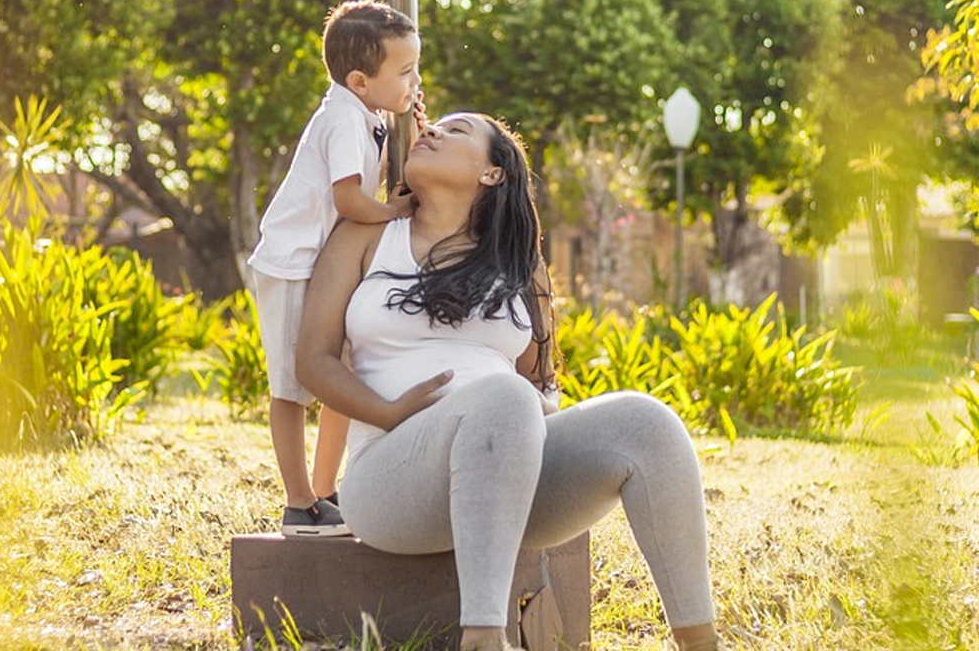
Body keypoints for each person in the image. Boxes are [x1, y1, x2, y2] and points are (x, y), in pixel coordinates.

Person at [297, 112, 723, 650]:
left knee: (647, 423)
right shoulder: (367, 234)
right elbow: (313, 360)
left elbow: (539, 387)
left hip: (508, 470)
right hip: (392, 476)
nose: (432, 132)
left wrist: (531, 416)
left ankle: (700, 641)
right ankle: (483, 638)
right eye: (433, 126)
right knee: (503, 397)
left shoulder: (520, 262)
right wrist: (387, 412)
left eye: (456, 131)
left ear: (492, 173)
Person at [246, 0, 421, 536]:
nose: (415, 81)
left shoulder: (363, 115)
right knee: (292, 386)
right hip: (293, 264)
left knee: (338, 375)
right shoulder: (343, 120)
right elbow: (349, 200)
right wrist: (394, 212)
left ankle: (325, 492)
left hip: (320, 266)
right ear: (360, 80)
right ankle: (300, 502)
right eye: (406, 72)